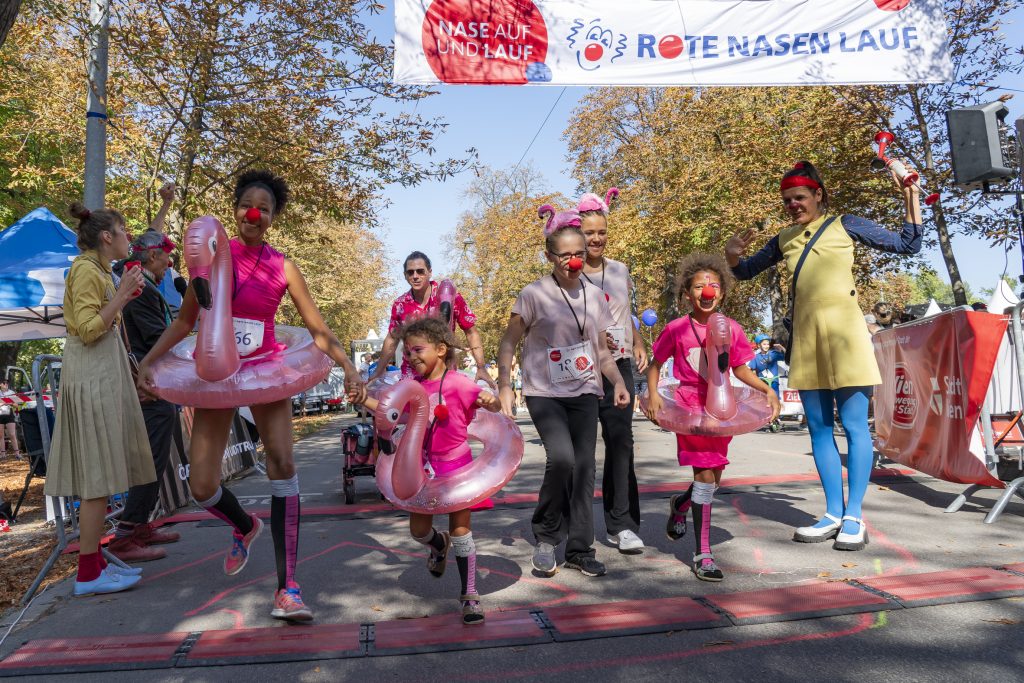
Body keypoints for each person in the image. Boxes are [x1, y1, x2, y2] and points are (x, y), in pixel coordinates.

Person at [138, 170, 364, 621]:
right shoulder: (212, 258)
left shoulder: (283, 266)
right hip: (217, 373)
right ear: (236, 208)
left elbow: (317, 329)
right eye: (246, 204)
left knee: (282, 463)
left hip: (264, 370)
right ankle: (245, 525)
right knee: (202, 485)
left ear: (273, 218)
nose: (253, 214)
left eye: (264, 208)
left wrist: (348, 365)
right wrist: (148, 361)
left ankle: (288, 588)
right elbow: (184, 324)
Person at [726, 160, 922, 551]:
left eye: (799, 197)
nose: (793, 205)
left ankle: (854, 516)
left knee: (852, 424)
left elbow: (907, 244)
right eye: (787, 200)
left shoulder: (845, 224)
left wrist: (911, 195)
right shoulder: (785, 238)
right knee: (817, 427)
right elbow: (745, 271)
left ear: (818, 194)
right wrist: (732, 255)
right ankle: (832, 512)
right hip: (807, 340)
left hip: (847, 337)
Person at [497, 209, 630, 578]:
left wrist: (617, 381)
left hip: (586, 389)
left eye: (579, 253)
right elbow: (508, 343)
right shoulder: (533, 294)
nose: (573, 262)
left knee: (585, 467)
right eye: (564, 255)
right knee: (563, 459)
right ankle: (545, 536)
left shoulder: (595, 296)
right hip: (544, 391)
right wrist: (505, 385)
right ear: (549, 257)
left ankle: (579, 548)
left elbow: (601, 351)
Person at [350, 317, 500, 624]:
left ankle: (469, 595)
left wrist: (491, 399)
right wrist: (363, 398)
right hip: (422, 469)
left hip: (457, 467)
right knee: (418, 531)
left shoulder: (459, 383)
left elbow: (493, 406)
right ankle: (436, 544)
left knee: (461, 532)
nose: (411, 357)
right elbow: (391, 411)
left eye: (418, 350)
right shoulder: (412, 388)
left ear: (441, 349)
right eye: (406, 353)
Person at [644, 255, 780, 581]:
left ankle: (680, 504)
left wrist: (767, 390)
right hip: (689, 407)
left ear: (722, 292)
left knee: (713, 479)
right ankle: (703, 553)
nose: (707, 291)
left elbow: (740, 368)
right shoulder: (677, 329)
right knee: (705, 478)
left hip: (721, 408)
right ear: (687, 295)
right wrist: (651, 396)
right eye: (698, 286)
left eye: (713, 285)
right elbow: (655, 364)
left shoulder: (732, 328)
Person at [46, 202, 153, 596]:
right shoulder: (86, 271)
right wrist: (123, 295)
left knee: (102, 478)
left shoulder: (98, 271)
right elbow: (89, 330)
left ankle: (92, 567)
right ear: (107, 237)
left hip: (102, 376)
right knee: (96, 479)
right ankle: (88, 574)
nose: (129, 239)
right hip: (91, 377)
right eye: (124, 232)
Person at [108, 183, 183, 562]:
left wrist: (166, 203)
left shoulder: (141, 275)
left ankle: (140, 524)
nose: (170, 265)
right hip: (145, 384)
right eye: (165, 259)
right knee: (149, 456)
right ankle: (126, 532)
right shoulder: (138, 286)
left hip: (151, 382)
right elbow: (156, 338)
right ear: (150, 258)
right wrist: (188, 337)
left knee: (154, 454)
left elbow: (149, 239)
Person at [577, 189, 648, 554]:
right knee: (582, 451)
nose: (597, 238)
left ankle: (622, 524)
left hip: (619, 363)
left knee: (622, 443)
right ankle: (579, 531)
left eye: (602, 231)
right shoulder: (568, 273)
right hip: (583, 369)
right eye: (589, 232)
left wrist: (638, 341)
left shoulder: (620, 269)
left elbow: (626, 312)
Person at [369, 252, 493, 388]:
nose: (415, 276)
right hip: (412, 377)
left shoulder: (450, 297)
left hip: (444, 373)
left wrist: (481, 367)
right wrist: (378, 371)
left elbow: (471, 332)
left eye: (420, 271)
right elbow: (392, 339)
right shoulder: (400, 304)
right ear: (405, 276)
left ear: (429, 272)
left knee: (445, 409)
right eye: (410, 272)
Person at [0, 380, 21, 460]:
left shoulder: (11, 392)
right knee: (1, 435)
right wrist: (4, 403)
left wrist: (10, 403)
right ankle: (3, 454)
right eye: (4, 383)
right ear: (0, 385)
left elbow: (16, 405)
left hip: (9, 415)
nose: (6, 385)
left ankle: (17, 453)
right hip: (0, 415)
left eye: (7, 383)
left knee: (12, 434)